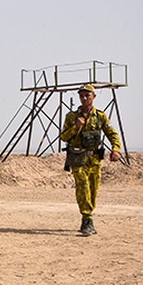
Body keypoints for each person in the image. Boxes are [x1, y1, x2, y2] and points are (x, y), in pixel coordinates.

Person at [59, 84, 122, 236]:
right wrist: (76, 126)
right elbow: (63, 137)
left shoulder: (100, 116)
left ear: (94, 96)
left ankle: (87, 217)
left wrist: (116, 149)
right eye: (82, 96)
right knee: (82, 186)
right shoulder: (71, 117)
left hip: (94, 159)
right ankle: (87, 218)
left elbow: (112, 133)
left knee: (93, 189)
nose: (84, 98)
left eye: (87, 95)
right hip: (77, 158)